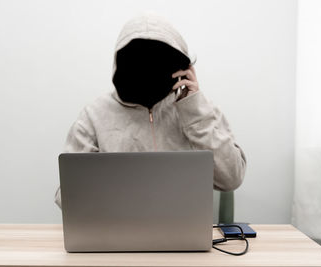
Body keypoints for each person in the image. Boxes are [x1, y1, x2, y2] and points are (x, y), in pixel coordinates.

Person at [54, 12, 247, 209]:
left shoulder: (198, 109)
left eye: (157, 62)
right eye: (139, 62)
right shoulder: (94, 116)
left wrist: (194, 112)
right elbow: (67, 198)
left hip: (183, 235)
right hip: (116, 233)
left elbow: (231, 179)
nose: (147, 70)